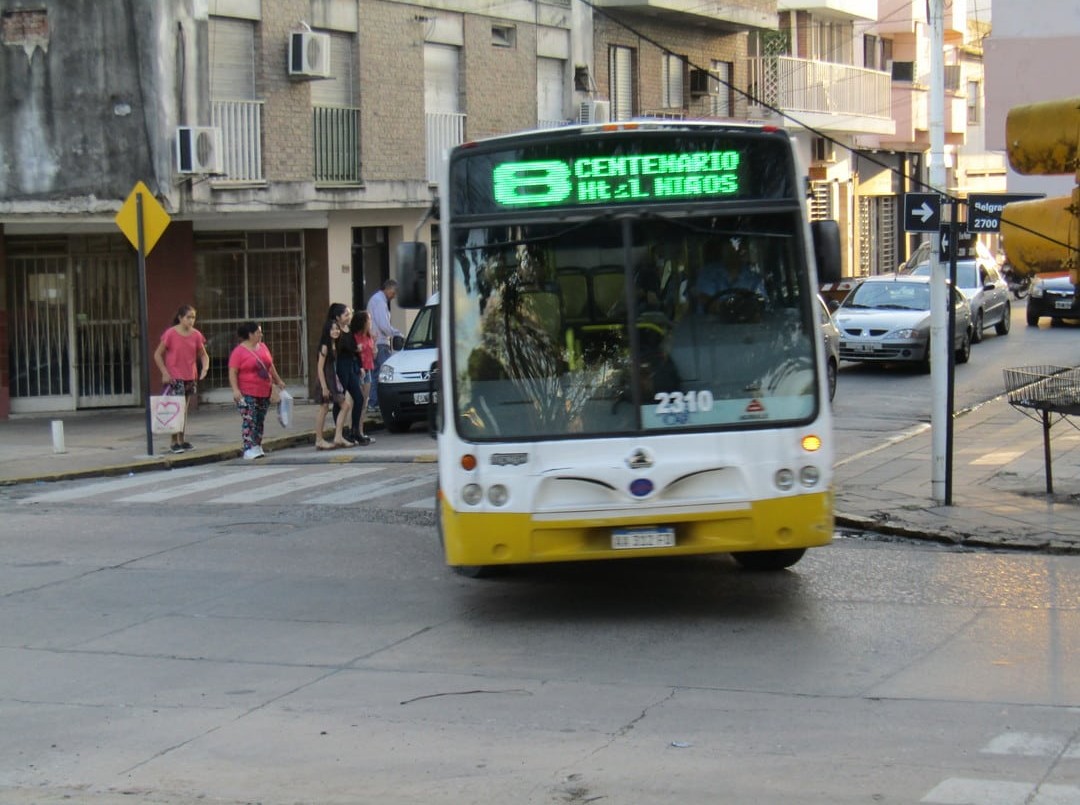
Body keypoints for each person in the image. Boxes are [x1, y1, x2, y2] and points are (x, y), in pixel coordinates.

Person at [153, 304, 210, 454]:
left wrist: (204, 368)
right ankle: (173, 441)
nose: (191, 321)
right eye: (188, 317)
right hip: (174, 376)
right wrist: (165, 372)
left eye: (193, 317)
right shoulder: (170, 334)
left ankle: (182, 439)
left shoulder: (196, 335)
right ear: (180, 318)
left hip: (190, 376)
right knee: (175, 408)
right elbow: (158, 354)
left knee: (184, 409)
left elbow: (203, 355)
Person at [227, 321, 286, 460]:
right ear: (250, 334)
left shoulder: (263, 347)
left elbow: (270, 366)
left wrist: (278, 381)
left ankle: (257, 445)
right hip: (247, 391)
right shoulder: (239, 352)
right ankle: (248, 448)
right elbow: (233, 372)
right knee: (249, 419)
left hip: (264, 390)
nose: (261, 334)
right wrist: (235, 390)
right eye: (258, 332)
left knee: (260, 419)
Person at [694, 237, 766, 314]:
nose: (733, 252)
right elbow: (705, 300)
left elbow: (761, 304)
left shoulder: (754, 278)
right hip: (709, 324)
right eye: (729, 249)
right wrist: (737, 308)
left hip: (746, 324)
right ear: (722, 250)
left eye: (738, 248)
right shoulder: (708, 273)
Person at [314, 318, 354, 449]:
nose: (336, 331)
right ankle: (319, 439)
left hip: (332, 380)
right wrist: (324, 387)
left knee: (344, 405)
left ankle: (338, 436)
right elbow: (320, 368)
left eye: (337, 329)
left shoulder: (334, 344)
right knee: (325, 408)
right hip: (325, 380)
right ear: (327, 331)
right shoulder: (325, 346)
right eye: (332, 329)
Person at [327, 303, 363, 443]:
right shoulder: (336, 332)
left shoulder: (349, 330)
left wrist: (360, 365)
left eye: (349, 314)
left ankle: (355, 430)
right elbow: (338, 349)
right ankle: (340, 432)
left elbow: (354, 348)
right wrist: (354, 349)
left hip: (350, 367)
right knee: (339, 401)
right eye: (346, 315)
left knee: (358, 398)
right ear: (338, 317)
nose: (349, 317)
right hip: (341, 368)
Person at [366, 278, 402, 412]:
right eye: (394, 292)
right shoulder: (380, 302)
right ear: (388, 289)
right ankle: (376, 402)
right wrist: (396, 333)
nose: (394, 295)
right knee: (384, 374)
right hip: (380, 342)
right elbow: (383, 325)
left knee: (376, 373)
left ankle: (373, 402)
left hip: (375, 342)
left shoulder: (375, 300)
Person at [351, 309, 376, 445]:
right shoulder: (354, 337)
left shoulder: (369, 336)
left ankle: (360, 430)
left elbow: (373, 354)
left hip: (368, 370)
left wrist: (374, 351)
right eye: (369, 320)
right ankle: (354, 430)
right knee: (357, 402)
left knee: (364, 403)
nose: (370, 322)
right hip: (358, 370)